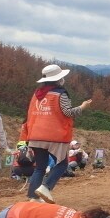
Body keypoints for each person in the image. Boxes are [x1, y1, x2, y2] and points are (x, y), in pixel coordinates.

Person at [25, 65, 92, 203]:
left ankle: (33, 198)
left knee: (40, 167)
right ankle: (46, 187)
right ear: (59, 79)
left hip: (36, 134)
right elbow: (68, 112)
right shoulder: (60, 94)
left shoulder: (37, 94)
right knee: (62, 164)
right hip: (55, 135)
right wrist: (83, 107)